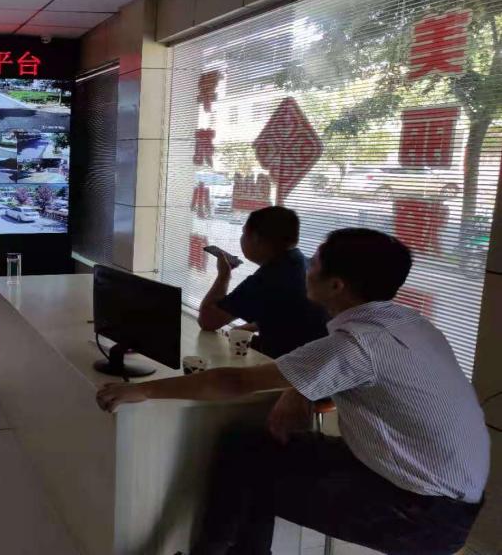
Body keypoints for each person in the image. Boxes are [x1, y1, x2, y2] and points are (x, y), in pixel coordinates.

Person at [96, 228, 489, 555]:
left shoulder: (356, 344)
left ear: (336, 285)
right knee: (247, 450)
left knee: (251, 475)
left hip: (421, 512)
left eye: (314, 263)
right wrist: (298, 389)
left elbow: (235, 382)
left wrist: (145, 392)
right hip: (441, 488)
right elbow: (355, 379)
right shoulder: (408, 323)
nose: (306, 268)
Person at [197, 206, 329, 359]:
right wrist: (248, 328)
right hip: (316, 360)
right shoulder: (303, 263)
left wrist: (224, 274)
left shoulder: (269, 279)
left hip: (287, 364)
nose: (241, 238)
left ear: (255, 238)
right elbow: (288, 313)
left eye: (243, 233)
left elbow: (207, 321)